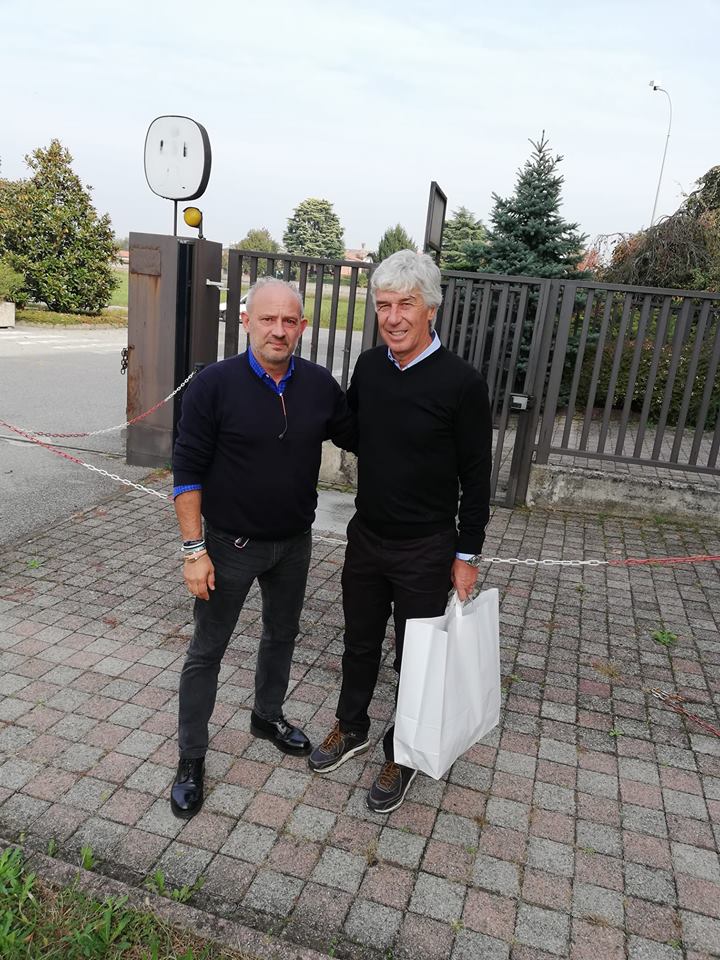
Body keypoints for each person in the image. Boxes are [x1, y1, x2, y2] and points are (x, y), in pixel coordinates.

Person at [309, 250, 492, 813]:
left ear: (430, 309)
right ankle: (352, 726)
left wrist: (466, 554)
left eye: (406, 304)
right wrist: (306, 395)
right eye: (384, 305)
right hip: (366, 536)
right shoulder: (370, 367)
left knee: (416, 657)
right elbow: (356, 431)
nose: (392, 317)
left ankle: (403, 750)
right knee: (359, 642)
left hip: (426, 547)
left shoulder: (462, 383)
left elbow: (477, 476)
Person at [170, 277, 356, 819]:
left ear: (302, 327)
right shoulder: (214, 385)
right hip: (228, 546)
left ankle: (266, 716)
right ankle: (191, 757)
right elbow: (187, 470)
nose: (279, 330)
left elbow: (362, 435)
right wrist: (193, 550)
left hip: (294, 544)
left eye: (289, 321)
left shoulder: (319, 385)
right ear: (246, 320)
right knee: (207, 651)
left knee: (282, 634)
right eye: (268, 319)